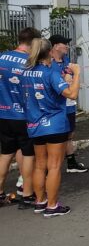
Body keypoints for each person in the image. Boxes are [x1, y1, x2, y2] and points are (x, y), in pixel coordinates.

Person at [22, 37, 81, 216]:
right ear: (49, 52)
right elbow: (71, 94)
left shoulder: (26, 72)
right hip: (54, 124)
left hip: (35, 123)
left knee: (40, 165)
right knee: (54, 166)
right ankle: (52, 206)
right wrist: (76, 74)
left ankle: (40, 201)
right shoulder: (50, 72)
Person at [0, 27, 41, 208]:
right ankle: (27, 194)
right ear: (33, 42)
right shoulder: (30, 62)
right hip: (23, 116)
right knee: (28, 155)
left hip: (3, 113)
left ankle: (0, 193)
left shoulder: (2, 57)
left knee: (5, 154)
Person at [48, 35, 89, 174]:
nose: (67, 46)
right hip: (56, 105)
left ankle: (71, 163)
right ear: (54, 46)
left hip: (70, 103)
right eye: (64, 43)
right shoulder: (48, 63)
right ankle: (51, 167)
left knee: (70, 134)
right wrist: (64, 79)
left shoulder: (66, 60)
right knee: (57, 136)